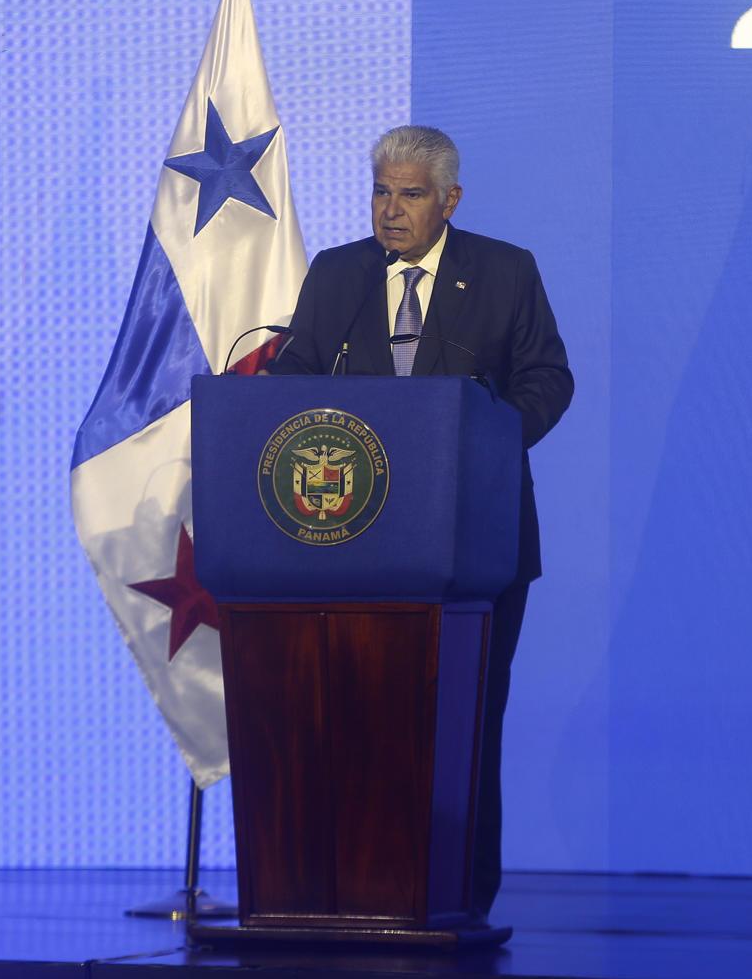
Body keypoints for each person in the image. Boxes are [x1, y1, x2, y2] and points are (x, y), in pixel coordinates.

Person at [269, 125, 573, 914]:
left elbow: (547, 377)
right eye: (380, 191)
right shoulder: (338, 274)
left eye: (408, 194)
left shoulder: (503, 271)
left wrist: (489, 438)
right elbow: (295, 375)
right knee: (356, 723)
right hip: (349, 544)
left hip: (474, 539)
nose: (389, 209)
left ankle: (458, 897)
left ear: (449, 200)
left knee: (463, 723)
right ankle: (351, 888)